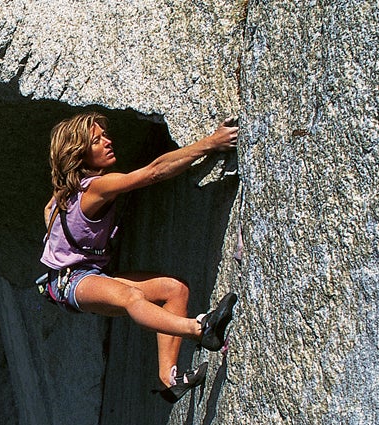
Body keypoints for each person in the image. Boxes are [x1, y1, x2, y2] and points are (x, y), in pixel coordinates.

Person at [40, 111, 238, 403]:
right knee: (131, 297)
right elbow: (154, 171)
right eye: (97, 141)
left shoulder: (64, 195)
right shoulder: (97, 187)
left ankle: (169, 379)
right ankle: (201, 328)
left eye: (105, 135)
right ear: (80, 154)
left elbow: (48, 213)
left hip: (84, 274)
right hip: (69, 283)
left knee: (174, 290)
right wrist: (210, 143)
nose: (108, 142)